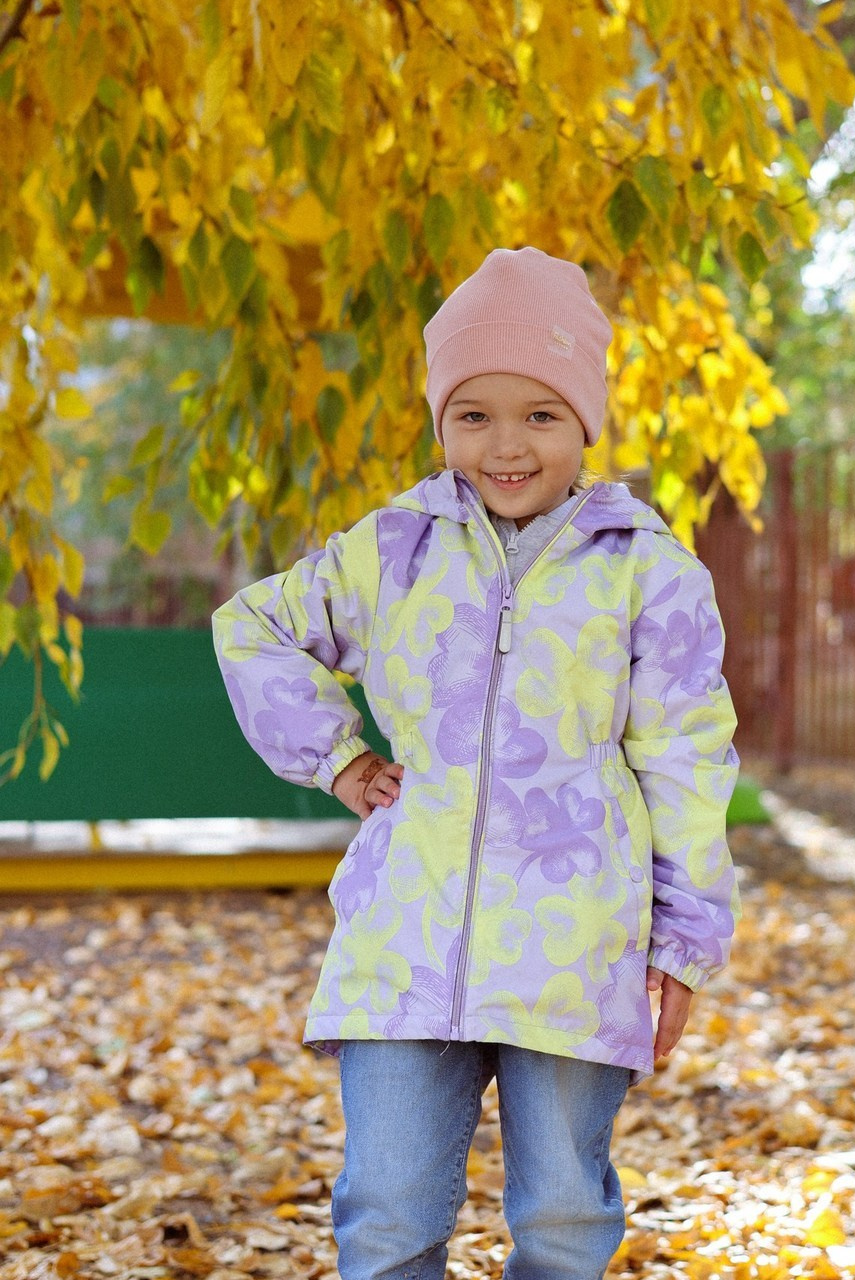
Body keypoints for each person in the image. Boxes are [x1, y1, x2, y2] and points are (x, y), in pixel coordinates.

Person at [211, 246, 740, 1280]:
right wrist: (340, 757)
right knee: (389, 1210)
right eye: (474, 414)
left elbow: (685, 755)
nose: (505, 445)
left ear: (584, 419)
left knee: (558, 1216)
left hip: (576, 942)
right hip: (406, 943)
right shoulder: (392, 549)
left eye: (540, 414)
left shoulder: (648, 571)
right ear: (440, 418)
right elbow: (252, 626)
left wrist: (682, 938)